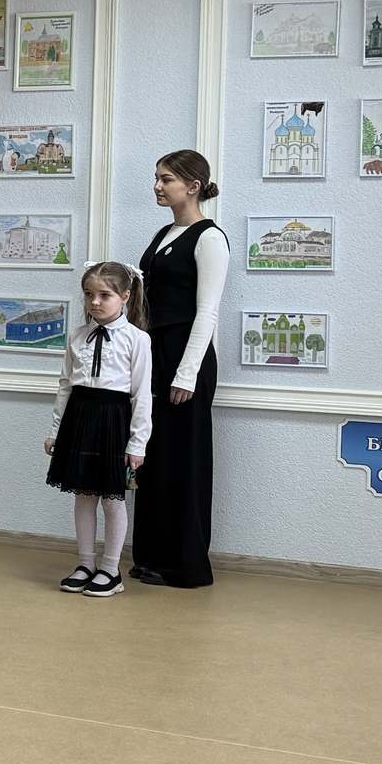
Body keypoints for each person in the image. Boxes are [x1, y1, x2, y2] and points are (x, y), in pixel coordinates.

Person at [132, 150, 226, 589]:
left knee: (183, 460)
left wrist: (186, 374)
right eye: (157, 177)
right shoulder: (164, 233)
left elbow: (207, 312)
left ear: (193, 185)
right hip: (156, 353)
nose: (157, 186)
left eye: (166, 179)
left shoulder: (210, 238)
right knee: (154, 458)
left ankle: (186, 566)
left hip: (186, 358)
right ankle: (152, 557)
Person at [46, 262, 154, 599]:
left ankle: (110, 569)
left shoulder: (138, 340)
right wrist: (55, 430)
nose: (95, 301)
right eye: (89, 294)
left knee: (112, 498)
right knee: (84, 495)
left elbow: (141, 394)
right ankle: (85, 563)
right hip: (79, 419)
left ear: (125, 296)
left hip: (114, 422)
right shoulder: (77, 336)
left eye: (104, 295)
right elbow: (65, 385)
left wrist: (138, 443)